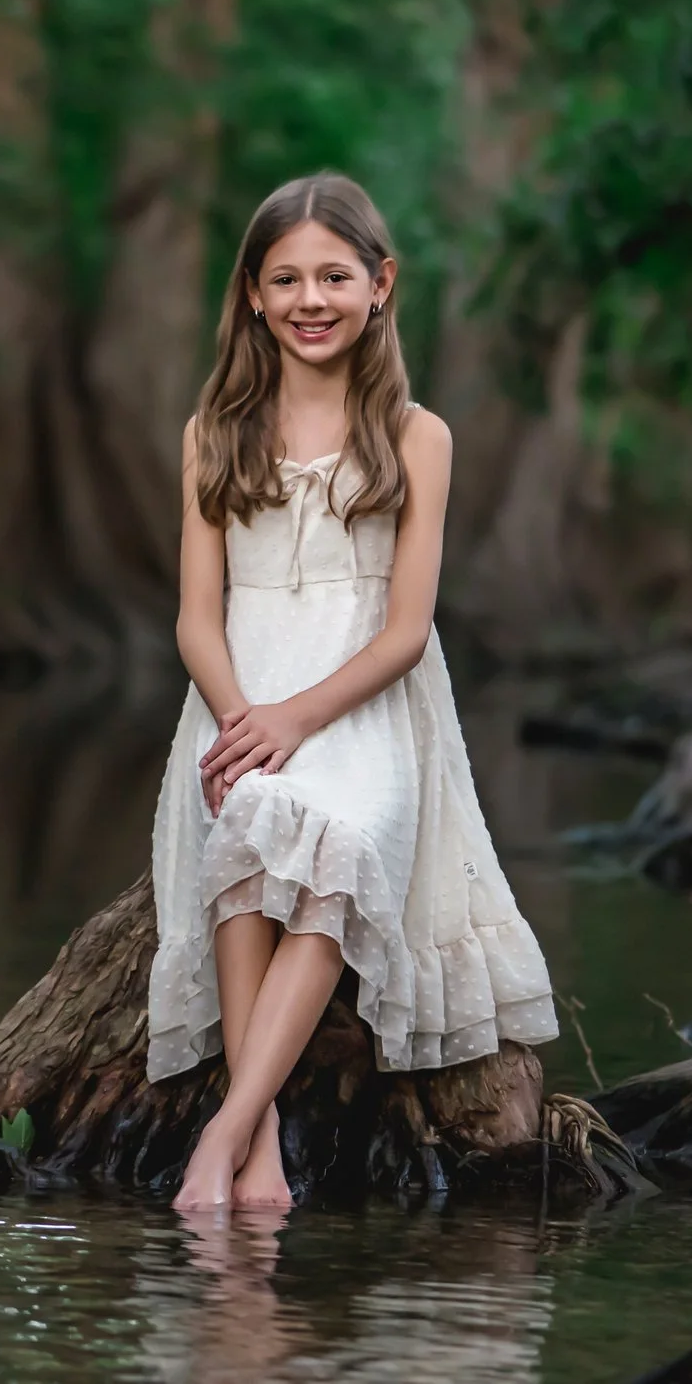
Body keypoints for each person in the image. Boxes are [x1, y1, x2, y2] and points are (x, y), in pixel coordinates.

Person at [146, 171, 559, 1211]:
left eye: (334, 275)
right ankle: (265, 1142)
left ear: (381, 284)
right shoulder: (214, 432)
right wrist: (244, 717)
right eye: (284, 278)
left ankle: (226, 1132)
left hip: (363, 706)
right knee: (245, 818)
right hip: (239, 698)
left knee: (332, 841)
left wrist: (296, 718)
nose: (310, 299)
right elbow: (197, 614)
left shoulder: (416, 436)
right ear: (250, 293)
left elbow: (407, 631)